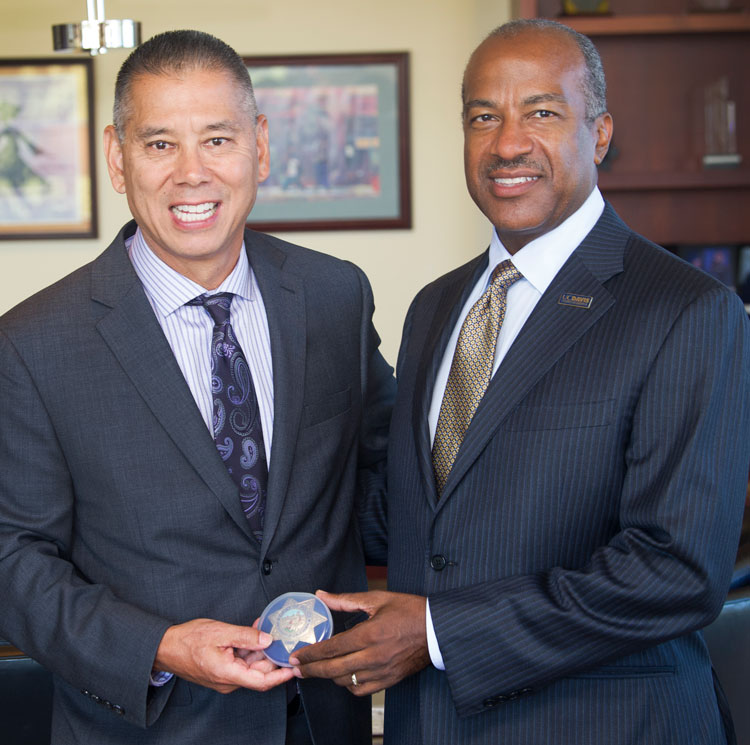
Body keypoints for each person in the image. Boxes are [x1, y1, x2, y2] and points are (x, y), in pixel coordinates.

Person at [292, 19, 750, 745]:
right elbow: (411, 513)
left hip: (606, 726)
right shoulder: (435, 307)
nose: (507, 143)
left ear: (598, 134)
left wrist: (439, 632)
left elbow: (678, 569)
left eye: (542, 112)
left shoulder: (687, 311)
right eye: (484, 117)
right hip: (431, 724)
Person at [0, 30, 394, 745]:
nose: (192, 173)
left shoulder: (336, 295)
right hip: (144, 728)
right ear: (118, 158)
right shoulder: (32, 342)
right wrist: (160, 645)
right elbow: (11, 559)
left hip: (322, 720)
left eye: (217, 139)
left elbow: (387, 480)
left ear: (260, 146)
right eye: (159, 145)